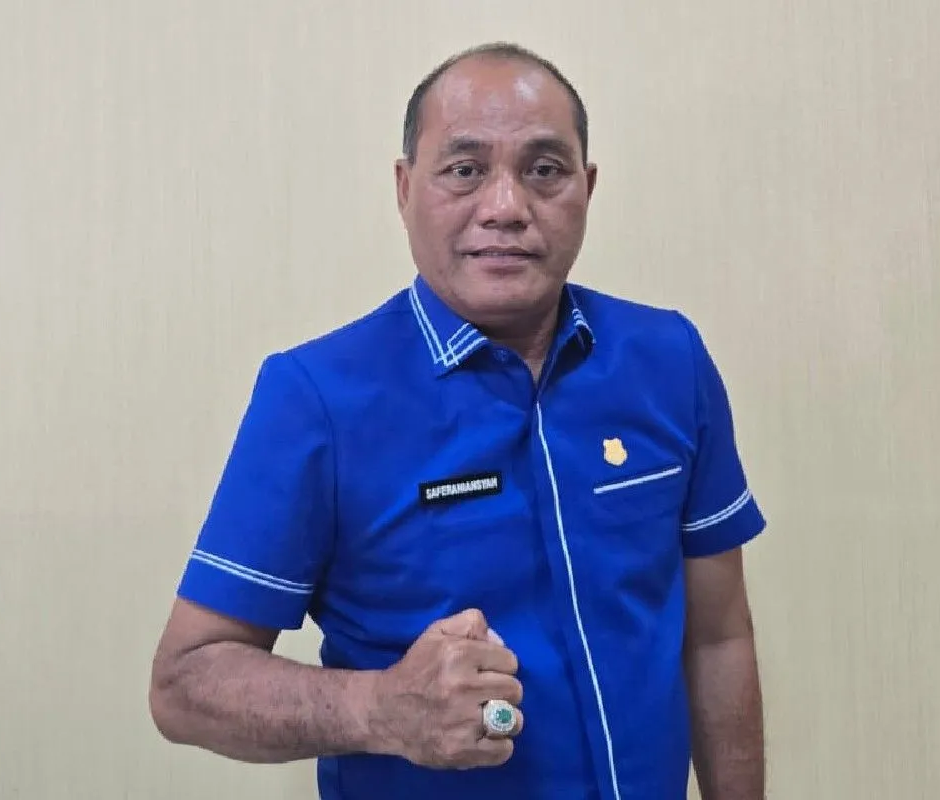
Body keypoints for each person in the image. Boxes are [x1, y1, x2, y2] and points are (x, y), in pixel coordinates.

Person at [149, 41, 768, 800]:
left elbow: (718, 636)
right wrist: (380, 709)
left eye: (544, 169)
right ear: (405, 188)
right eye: (465, 169)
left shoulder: (668, 359)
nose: (505, 207)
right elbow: (186, 682)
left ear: (587, 186)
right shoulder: (316, 397)